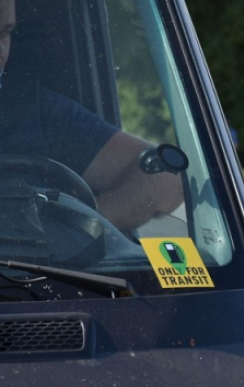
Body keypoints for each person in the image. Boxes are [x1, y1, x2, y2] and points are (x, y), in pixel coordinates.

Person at [0, 0, 182, 233]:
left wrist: (78, 231)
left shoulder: (37, 111)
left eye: (5, 33)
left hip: (43, 270)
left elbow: (164, 177)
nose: (1, 51)